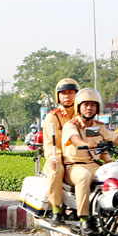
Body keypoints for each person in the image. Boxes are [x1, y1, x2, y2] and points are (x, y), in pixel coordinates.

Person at [61, 88, 118, 236]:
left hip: (95, 165)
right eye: (85, 105)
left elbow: (115, 137)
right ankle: (84, 219)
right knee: (84, 176)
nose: (89, 108)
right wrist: (85, 144)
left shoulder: (98, 127)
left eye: (92, 105)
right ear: (79, 107)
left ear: (97, 107)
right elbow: (74, 139)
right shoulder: (71, 125)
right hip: (74, 166)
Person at [42, 78, 79, 225]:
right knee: (56, 170)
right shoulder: (53, 116)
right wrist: (54, 158)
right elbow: (50, 143)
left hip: (80, 157)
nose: (67, 96)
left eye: (71, 92)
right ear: (58, 96)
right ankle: (56, 210)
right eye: (63, 93)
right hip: (60, 157)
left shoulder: (82, 114)